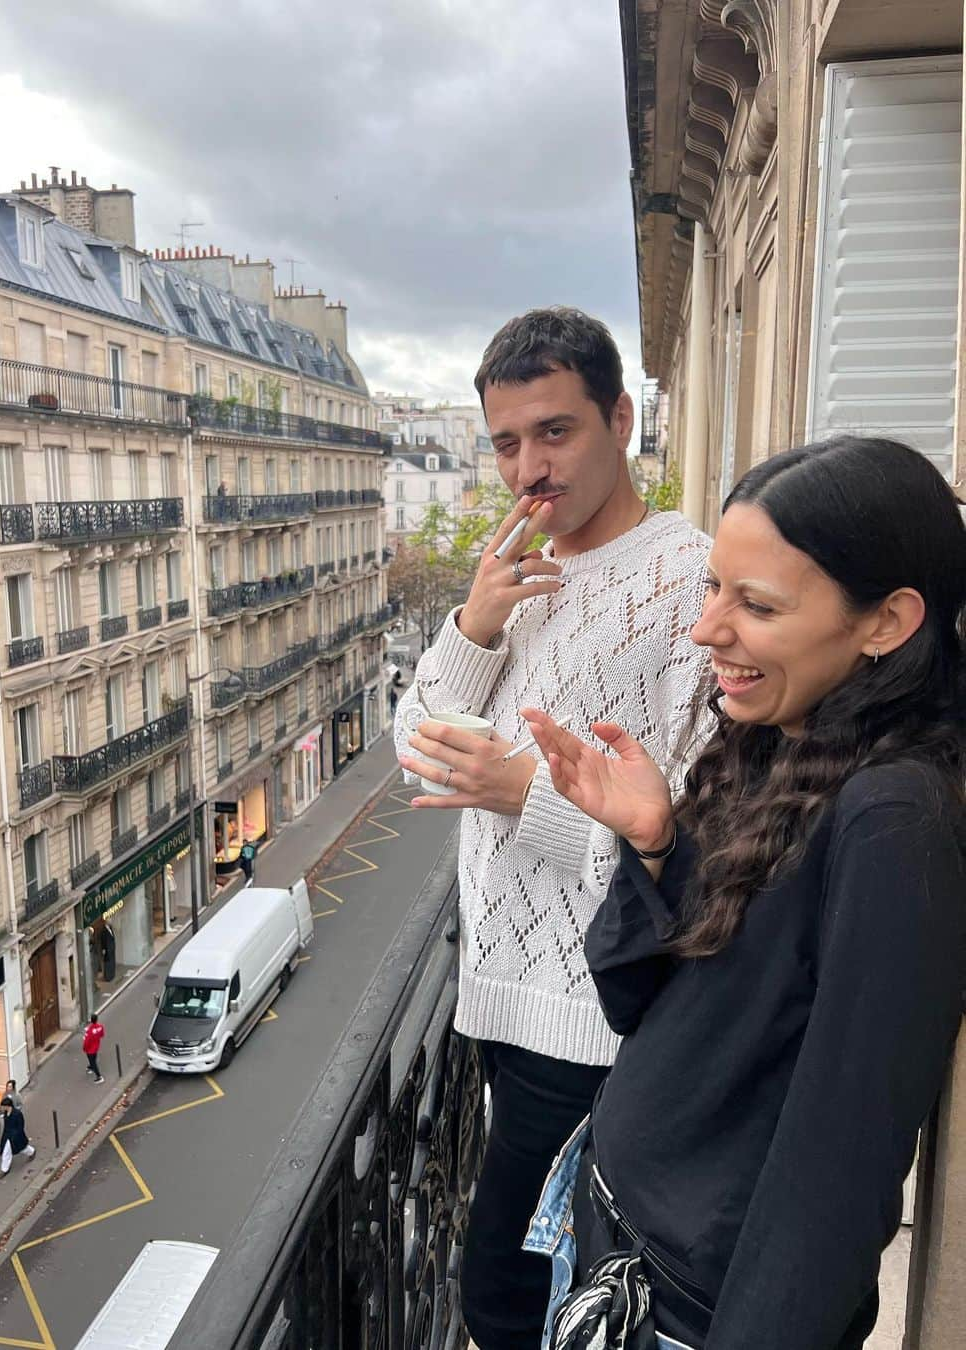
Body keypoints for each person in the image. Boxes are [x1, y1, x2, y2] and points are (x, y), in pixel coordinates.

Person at [521, 435, 966, 1350]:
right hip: (614, 1240)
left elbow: (842, 1167)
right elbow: (633, 998)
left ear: (886, 623)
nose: (706, 628)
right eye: (713, 587)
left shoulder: (893, 815)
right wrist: (652, 843)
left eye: (755, 604)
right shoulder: (779, 737)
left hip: (684, 1309)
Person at [394, 307, 711, 1350]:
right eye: (504, 443)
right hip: (500, 1000)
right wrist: (473, 628)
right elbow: (417, 745)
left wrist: (517, 792)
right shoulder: (514, 576)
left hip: (593, 1021)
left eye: (555, 432)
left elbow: (689, 846)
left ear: (622, 420)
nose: (528, 467)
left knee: (510, 1301)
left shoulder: (686, 583)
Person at [0, 1096, 35, 1177]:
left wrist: (16, 1135)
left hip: (15, 1136)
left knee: (22, 1149)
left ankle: (31, 1151)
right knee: (6, 1152)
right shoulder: (6, 1113)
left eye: (3, 1106)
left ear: (7, 1106)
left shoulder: (17, 1114)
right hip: (7, 1136)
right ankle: (4, 1169)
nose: (2, 1108)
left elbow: (21, 1126)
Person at [83, 1014, 106, 1083]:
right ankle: (90, 1067)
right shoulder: (100, 1027)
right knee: (93, 1058)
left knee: (93, 1062)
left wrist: (84, 1048)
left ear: (91, 1020)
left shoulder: (89, 1030)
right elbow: (102, 1035)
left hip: (90, 1049)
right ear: (96, 1019)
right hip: (96, 1046)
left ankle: (99, 1077)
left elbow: (86, 1042)